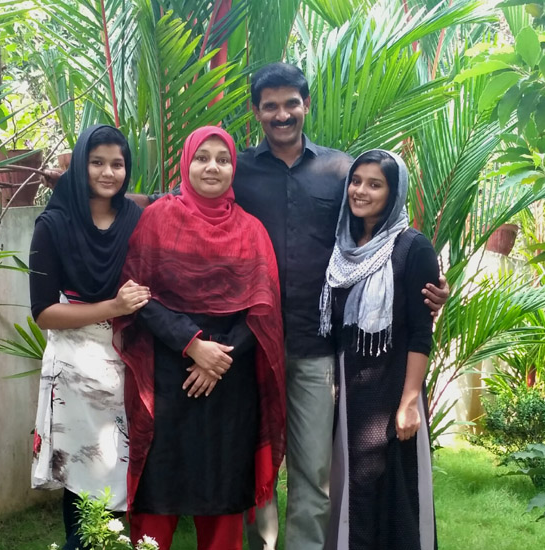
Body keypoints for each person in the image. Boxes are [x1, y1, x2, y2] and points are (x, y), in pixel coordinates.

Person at [130, 62, 449, 550]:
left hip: (313, 345)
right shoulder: (238, 169)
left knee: (312, 472)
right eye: (270, 106)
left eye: (290, 104)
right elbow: (184, 201)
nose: (281, 114)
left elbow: (379, 228)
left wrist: (427, 281)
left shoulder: (340, 171)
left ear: (306, 105)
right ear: (257, 112)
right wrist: (94, 190)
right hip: (248, 346)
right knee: (249, 461)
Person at [114, 126, 286, 550]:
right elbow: (137, 295)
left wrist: (219, 359)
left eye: (223, 159)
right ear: (186, 163)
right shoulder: (157, 219)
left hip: (230, 385)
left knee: (223, 497)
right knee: (158, 495)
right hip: (168, 377)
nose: (213, 167)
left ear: (233, 168)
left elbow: (263, 309)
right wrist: (192, 344)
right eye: (202, 158)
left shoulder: (251, 230)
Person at [28, 125, 148, 550]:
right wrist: (113, 307)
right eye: (97, 162)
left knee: (117, 473)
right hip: (75, 370)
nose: (108, 173)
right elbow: (44, 313)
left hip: (127, 362)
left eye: (118, 164)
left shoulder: (136, 219)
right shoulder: (53, 225)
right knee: (82, 477)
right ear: (80, 165)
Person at [320, 150, 439, 550]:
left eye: (375, 184)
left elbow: (421, 333)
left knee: (395, 491)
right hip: (350, 391)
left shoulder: (412, 248)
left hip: (392, 388)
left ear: (394, 192)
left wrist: (409, 402)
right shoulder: (342, 247)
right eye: (356, 181)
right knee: (354, 485)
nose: (361, 191)